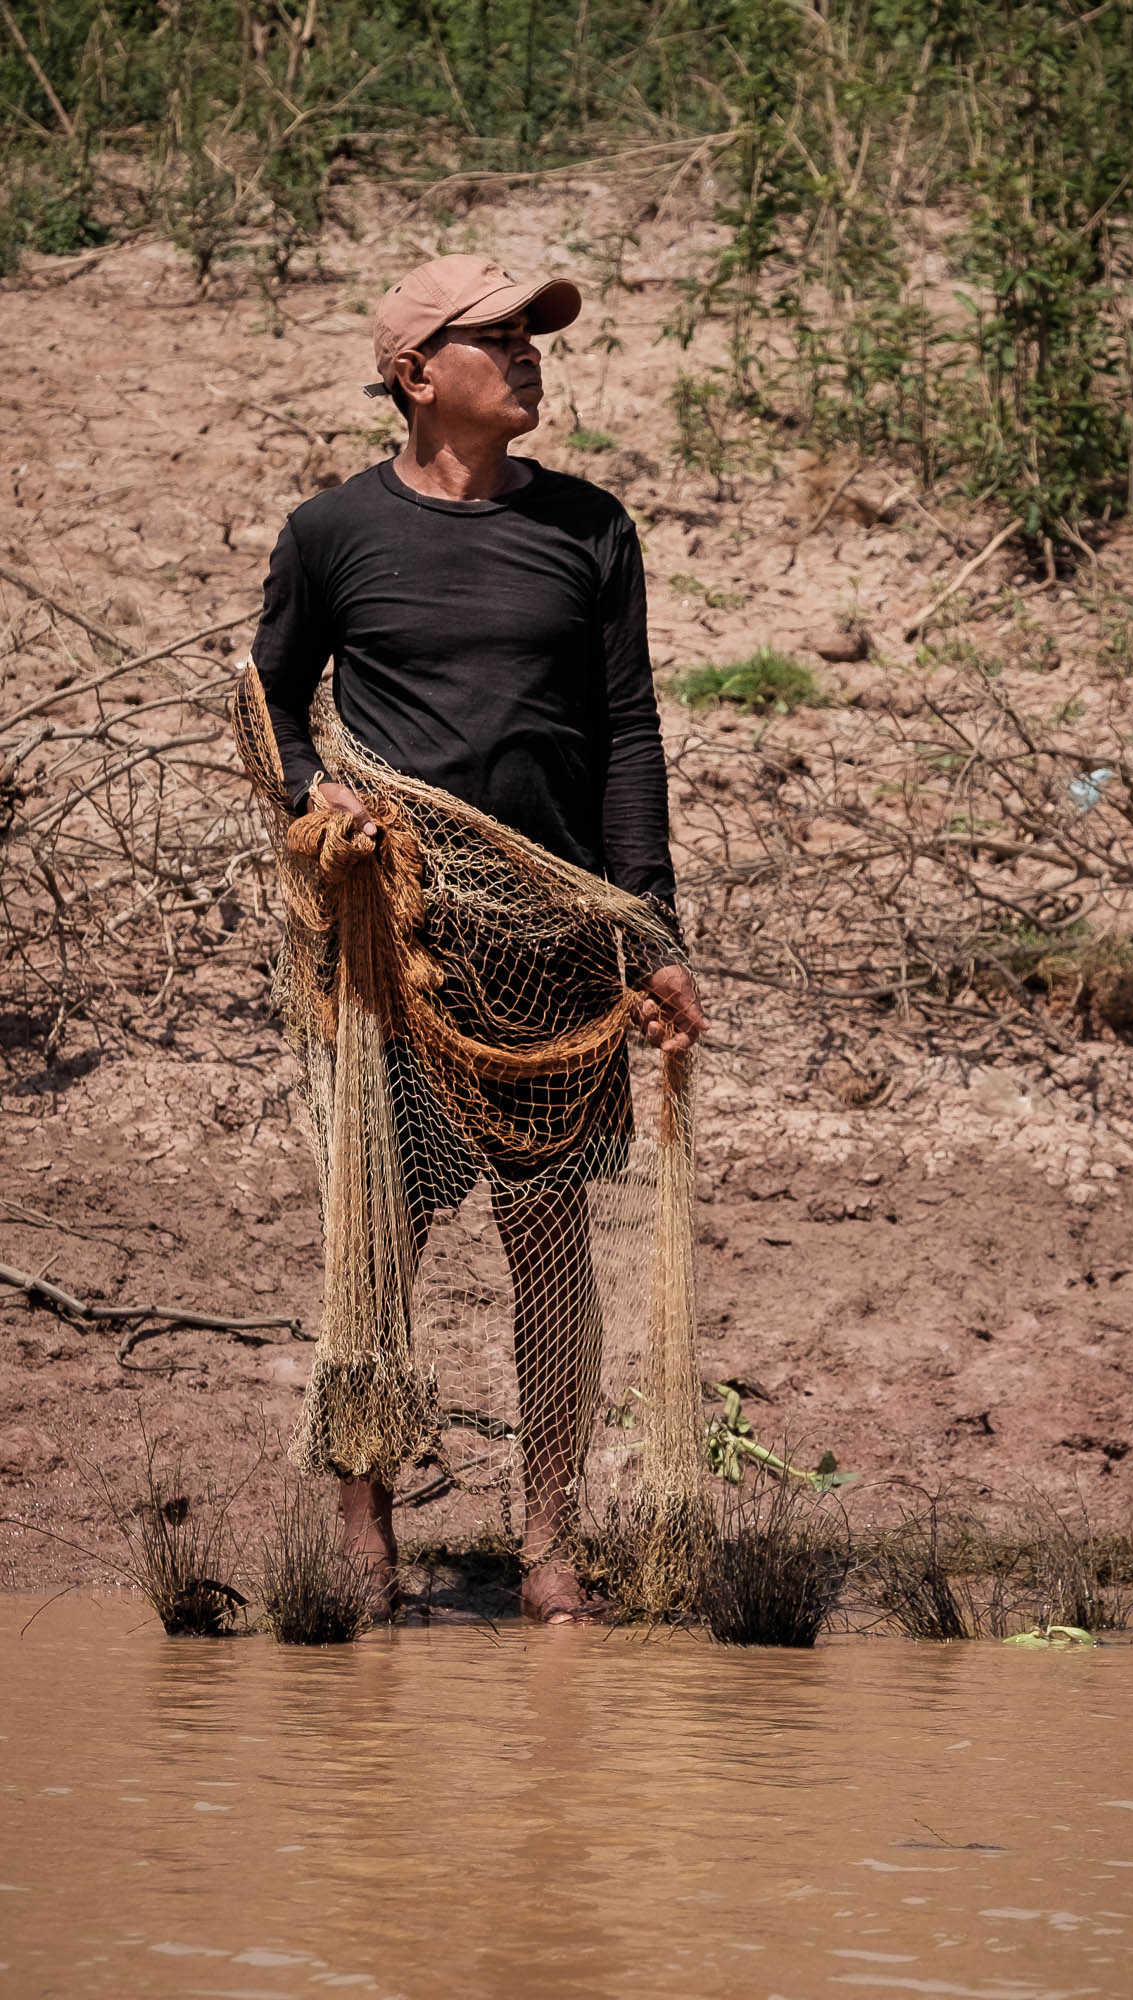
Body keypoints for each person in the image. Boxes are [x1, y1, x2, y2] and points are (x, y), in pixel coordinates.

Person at [250, 254, 706, 1622]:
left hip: (559, 939)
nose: (526, 356)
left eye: (532, 337)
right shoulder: (333, 533)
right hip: (396, 943)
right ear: (412, 371)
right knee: (375, 1238)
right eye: (494, 338)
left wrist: (652, 931)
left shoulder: (589, 529)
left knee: (550, 1239)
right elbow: (270, 700)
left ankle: (549, 1542)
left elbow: (627, 731)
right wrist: (306, 793)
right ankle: (362, 1540)